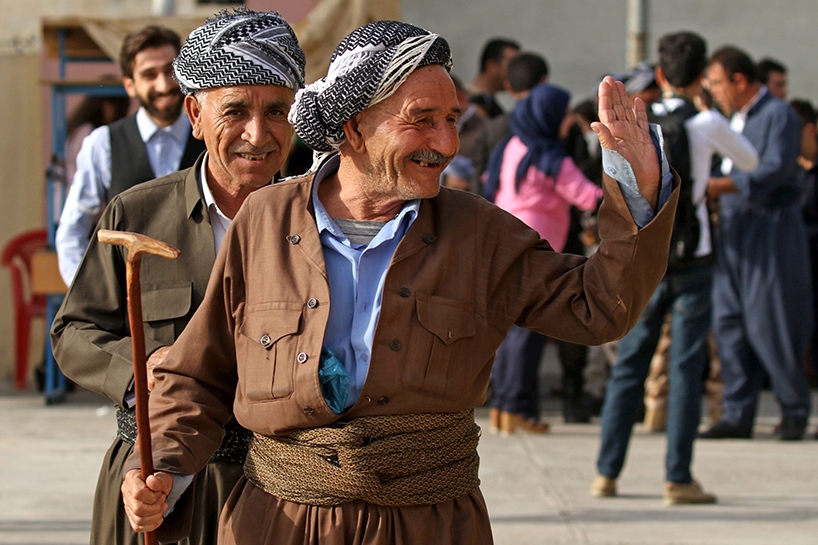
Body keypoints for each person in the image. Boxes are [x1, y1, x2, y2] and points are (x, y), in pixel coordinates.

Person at [120, 20, 678, 544]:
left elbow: (599, 308)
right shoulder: (266, 220)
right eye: (422, 119)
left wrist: (635, 191)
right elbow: (196, 373)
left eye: (453, 120)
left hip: (431, 523)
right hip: (279, 521)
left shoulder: (479, 233)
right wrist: (161, 469)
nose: (448, 143)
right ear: (352, 127)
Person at [51, 9, 306, 545]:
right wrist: (141, 375)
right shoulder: (137, 215)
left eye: (278, 110)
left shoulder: (322, 222)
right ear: (194, 113)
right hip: (151, 487)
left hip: (284, 492)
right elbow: (73, 332)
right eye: (234, 110)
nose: (257, 135)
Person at [592, 31, 759, 505]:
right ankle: (677, 477)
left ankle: (606, 472)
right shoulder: (705, 122)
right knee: (687, 367)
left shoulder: (643, 121)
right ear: (702, 74)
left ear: (661, 73)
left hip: (649, 259)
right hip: (694, 260)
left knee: (631, 364)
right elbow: (751, 160)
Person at [701, 46, 812, 441]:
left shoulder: (778, 114)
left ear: (739, 80)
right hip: (732, 230)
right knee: (729, 322)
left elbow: (776, 170)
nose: (712, 91)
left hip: (769, 228)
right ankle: (738, 413)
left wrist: (718, 186)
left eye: (715, 82)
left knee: (772, 323)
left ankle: (794, 409)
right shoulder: (736, 119)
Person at [484, 82, 603, 432]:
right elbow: (587, 196)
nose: (568, 120)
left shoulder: (513, 146)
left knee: (508, 330)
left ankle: (504, 407)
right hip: (537, 251)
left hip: (505, 244)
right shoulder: (550, 156)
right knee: (530, 330)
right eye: (563, 113)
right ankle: (520, 410)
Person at [55, 25, 207, 285]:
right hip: (129, 304)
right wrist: (89, 294)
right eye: (149, 75)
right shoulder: (103, 143)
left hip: (201, 301)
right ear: (130, 85)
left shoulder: (210, 138)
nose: (163, 85)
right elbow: (73, 230)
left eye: (170, 72)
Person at [472, 51, 549, 193]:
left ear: (508, 86)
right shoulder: (557, 126)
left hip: (496, 211)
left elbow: (478, 179)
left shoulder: (492, 128)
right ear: (544, 82)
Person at [467, 37, 520, 118]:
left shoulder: (492, 106)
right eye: (512, 64)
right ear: (491, 66)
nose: (517, 70)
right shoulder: (464, 103)